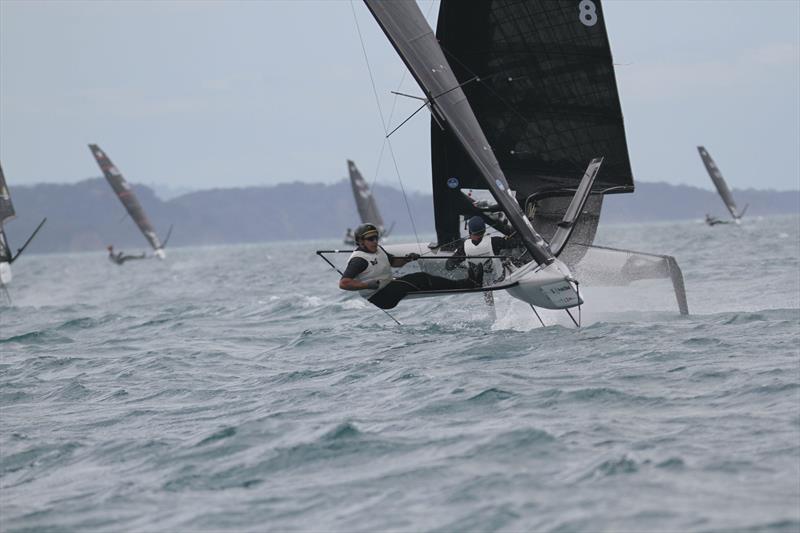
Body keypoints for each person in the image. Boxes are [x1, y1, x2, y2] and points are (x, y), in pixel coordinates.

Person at [339, 223, 475, 309]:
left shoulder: (378, 249)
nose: (375, 241)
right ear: (360, 242)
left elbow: (393, 262)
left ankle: (464, 283)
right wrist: (367, 285)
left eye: (376, 238)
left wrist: (408, 259)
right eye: (370, 239)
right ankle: (467, 284)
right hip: (380, 297)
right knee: (421, 279)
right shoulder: (358, 260)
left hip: (388, 286)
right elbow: (344, 283)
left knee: (420, 280)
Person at [445, 216, 514, 286]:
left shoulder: (463, 248)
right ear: (484, 230)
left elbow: (448, 266)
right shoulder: (495, 241)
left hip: (477, 284)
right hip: (500, 282)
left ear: (470, 231)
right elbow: (516, 243)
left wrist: (460, 262)